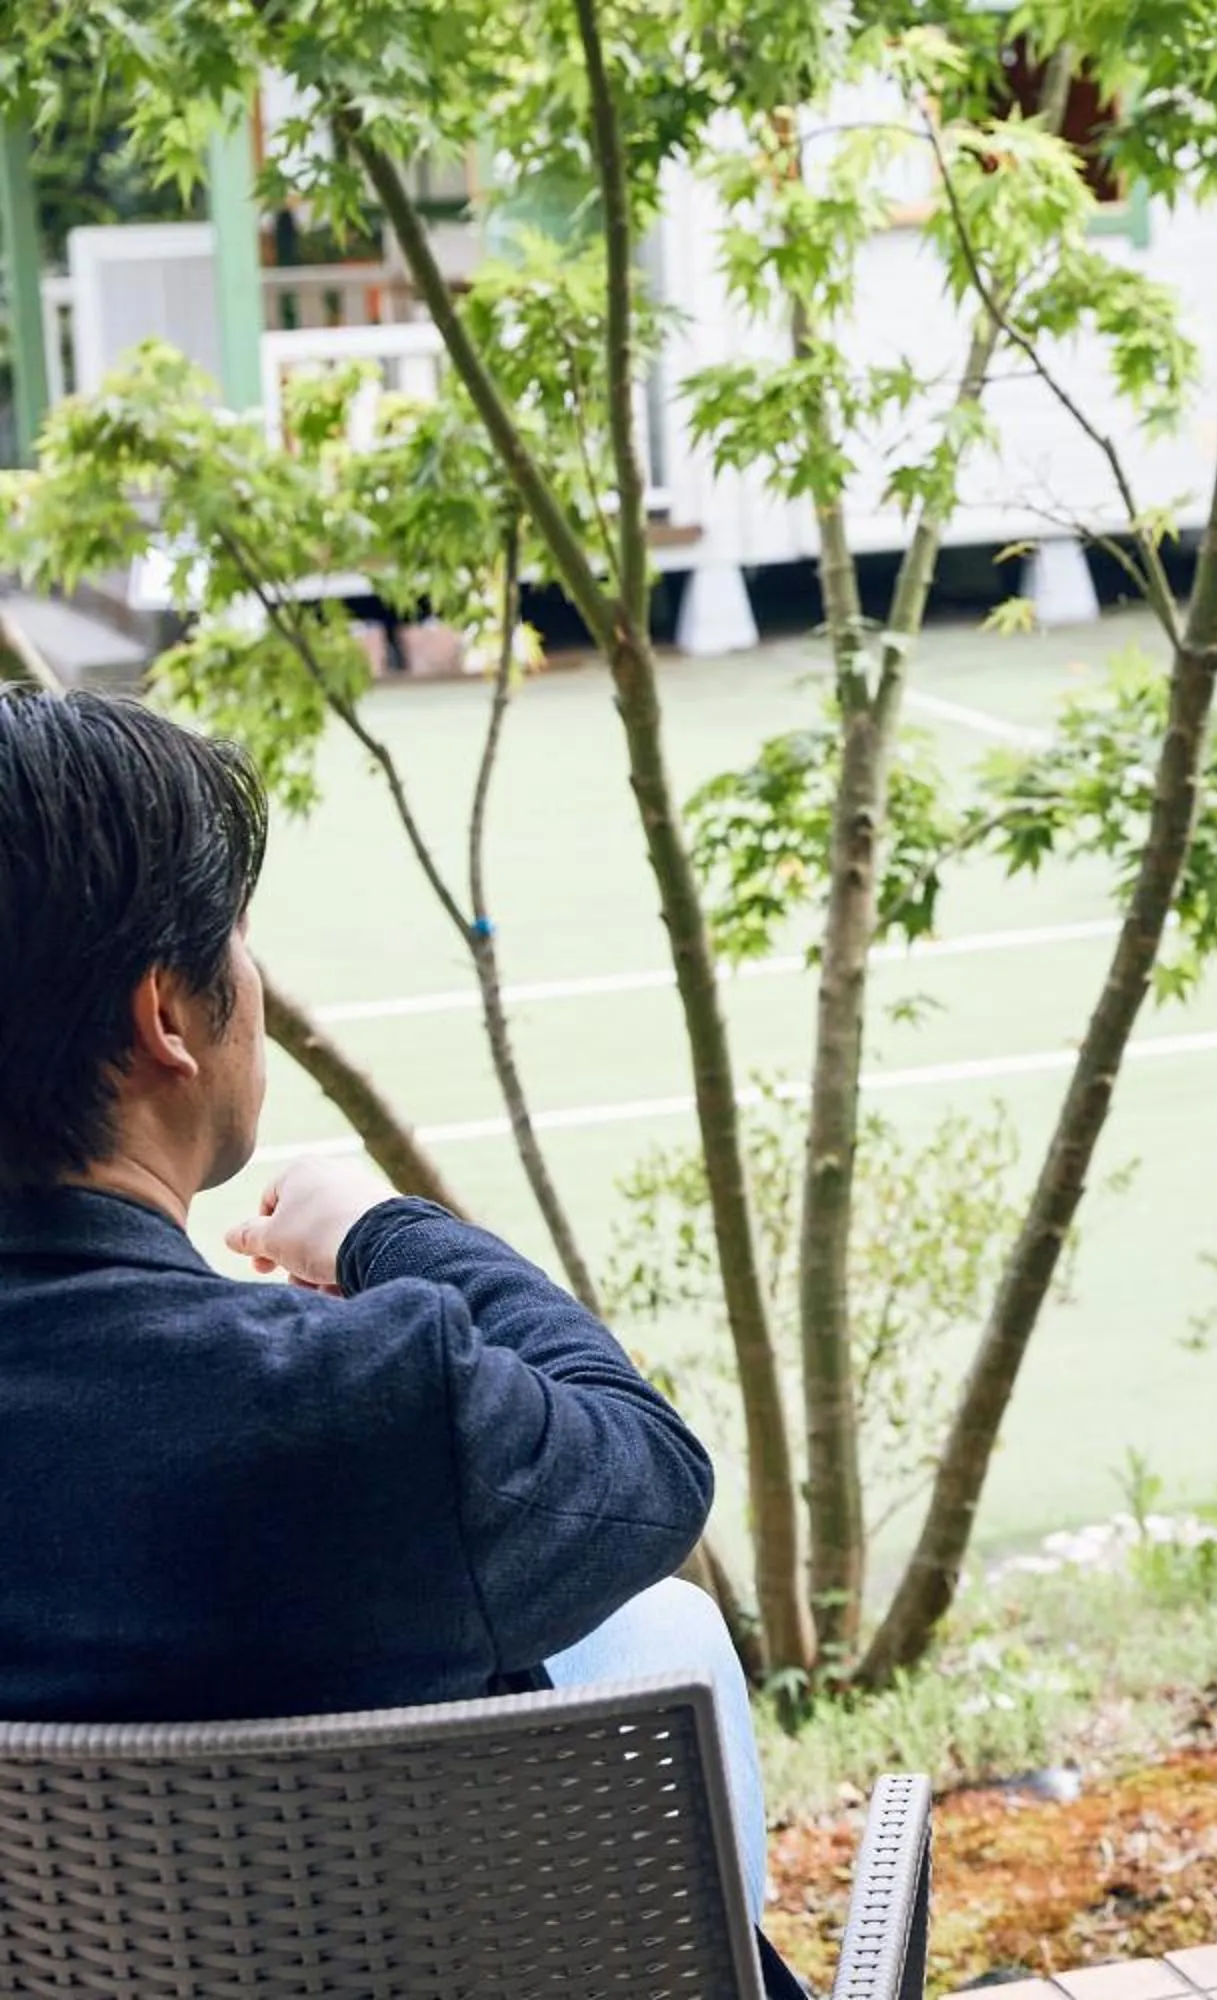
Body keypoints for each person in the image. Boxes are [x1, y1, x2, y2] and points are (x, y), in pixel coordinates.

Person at [0, 688, 782, 1956]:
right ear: (166, 1017)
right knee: (665, 1627)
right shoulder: (362, 1404)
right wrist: (386, 1229)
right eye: (239, 943)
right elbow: (651, 1467)